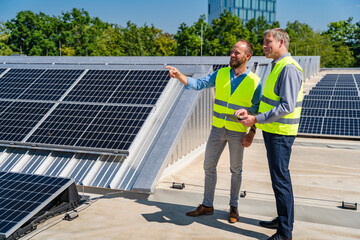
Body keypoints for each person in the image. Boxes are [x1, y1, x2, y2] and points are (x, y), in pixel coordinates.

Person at [165, 39, 261, 224]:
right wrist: (179, 76)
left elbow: (258, 110)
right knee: (208, 167)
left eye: (237, 53)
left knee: (236, 170)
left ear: (247, 56)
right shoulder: (221, 73)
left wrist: (252, 133)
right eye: (232, 52)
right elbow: (197, 84)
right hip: (217, 129)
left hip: (237, 132)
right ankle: (207, 205)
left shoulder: (255, 82)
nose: (232, 55)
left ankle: (234, 207)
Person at [235, 28, 303, 240]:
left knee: (281, 180)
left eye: (268, 42)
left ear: (281, 42)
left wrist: (255, 120)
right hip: (274, 131)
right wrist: (253, 113)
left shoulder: (288, 68)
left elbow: (286, 106)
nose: (264, 46)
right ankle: (283, 219)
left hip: (281, 133)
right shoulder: (277, 66)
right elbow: (269, 102)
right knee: (279, 179)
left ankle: (284, 232)